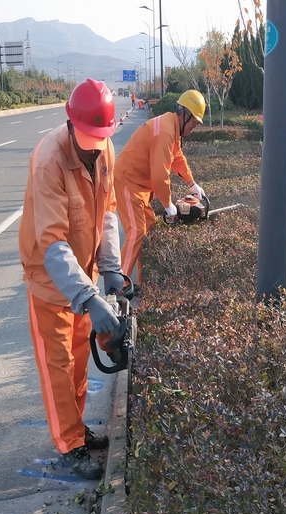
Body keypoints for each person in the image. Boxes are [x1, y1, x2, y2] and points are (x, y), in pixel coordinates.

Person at [19, 78, 125, 480]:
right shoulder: (49, 160)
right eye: (88, 141)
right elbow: (52, 242)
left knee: (80, 358)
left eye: (100, 140)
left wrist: (110, 269)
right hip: (50, 277)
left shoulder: (105, 148)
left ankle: (77, 429)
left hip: (84, 272)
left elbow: (108, 211)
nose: (94, 148)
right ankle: (69, 445)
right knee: (59, 365)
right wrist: (89, 296)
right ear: (70, 124)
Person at [114, 89, 207, 280]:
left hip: (140, 186)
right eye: (194, 122)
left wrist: (192, 184)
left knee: (148, 230)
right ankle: (119, 285)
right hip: (128, 182)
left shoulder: (172, 127)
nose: (194, 127)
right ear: (185, 114)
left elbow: (177, 157)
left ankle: (143, 283)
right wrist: (167, 204)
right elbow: (159, 174)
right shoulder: (165, 131)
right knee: (137, 232)